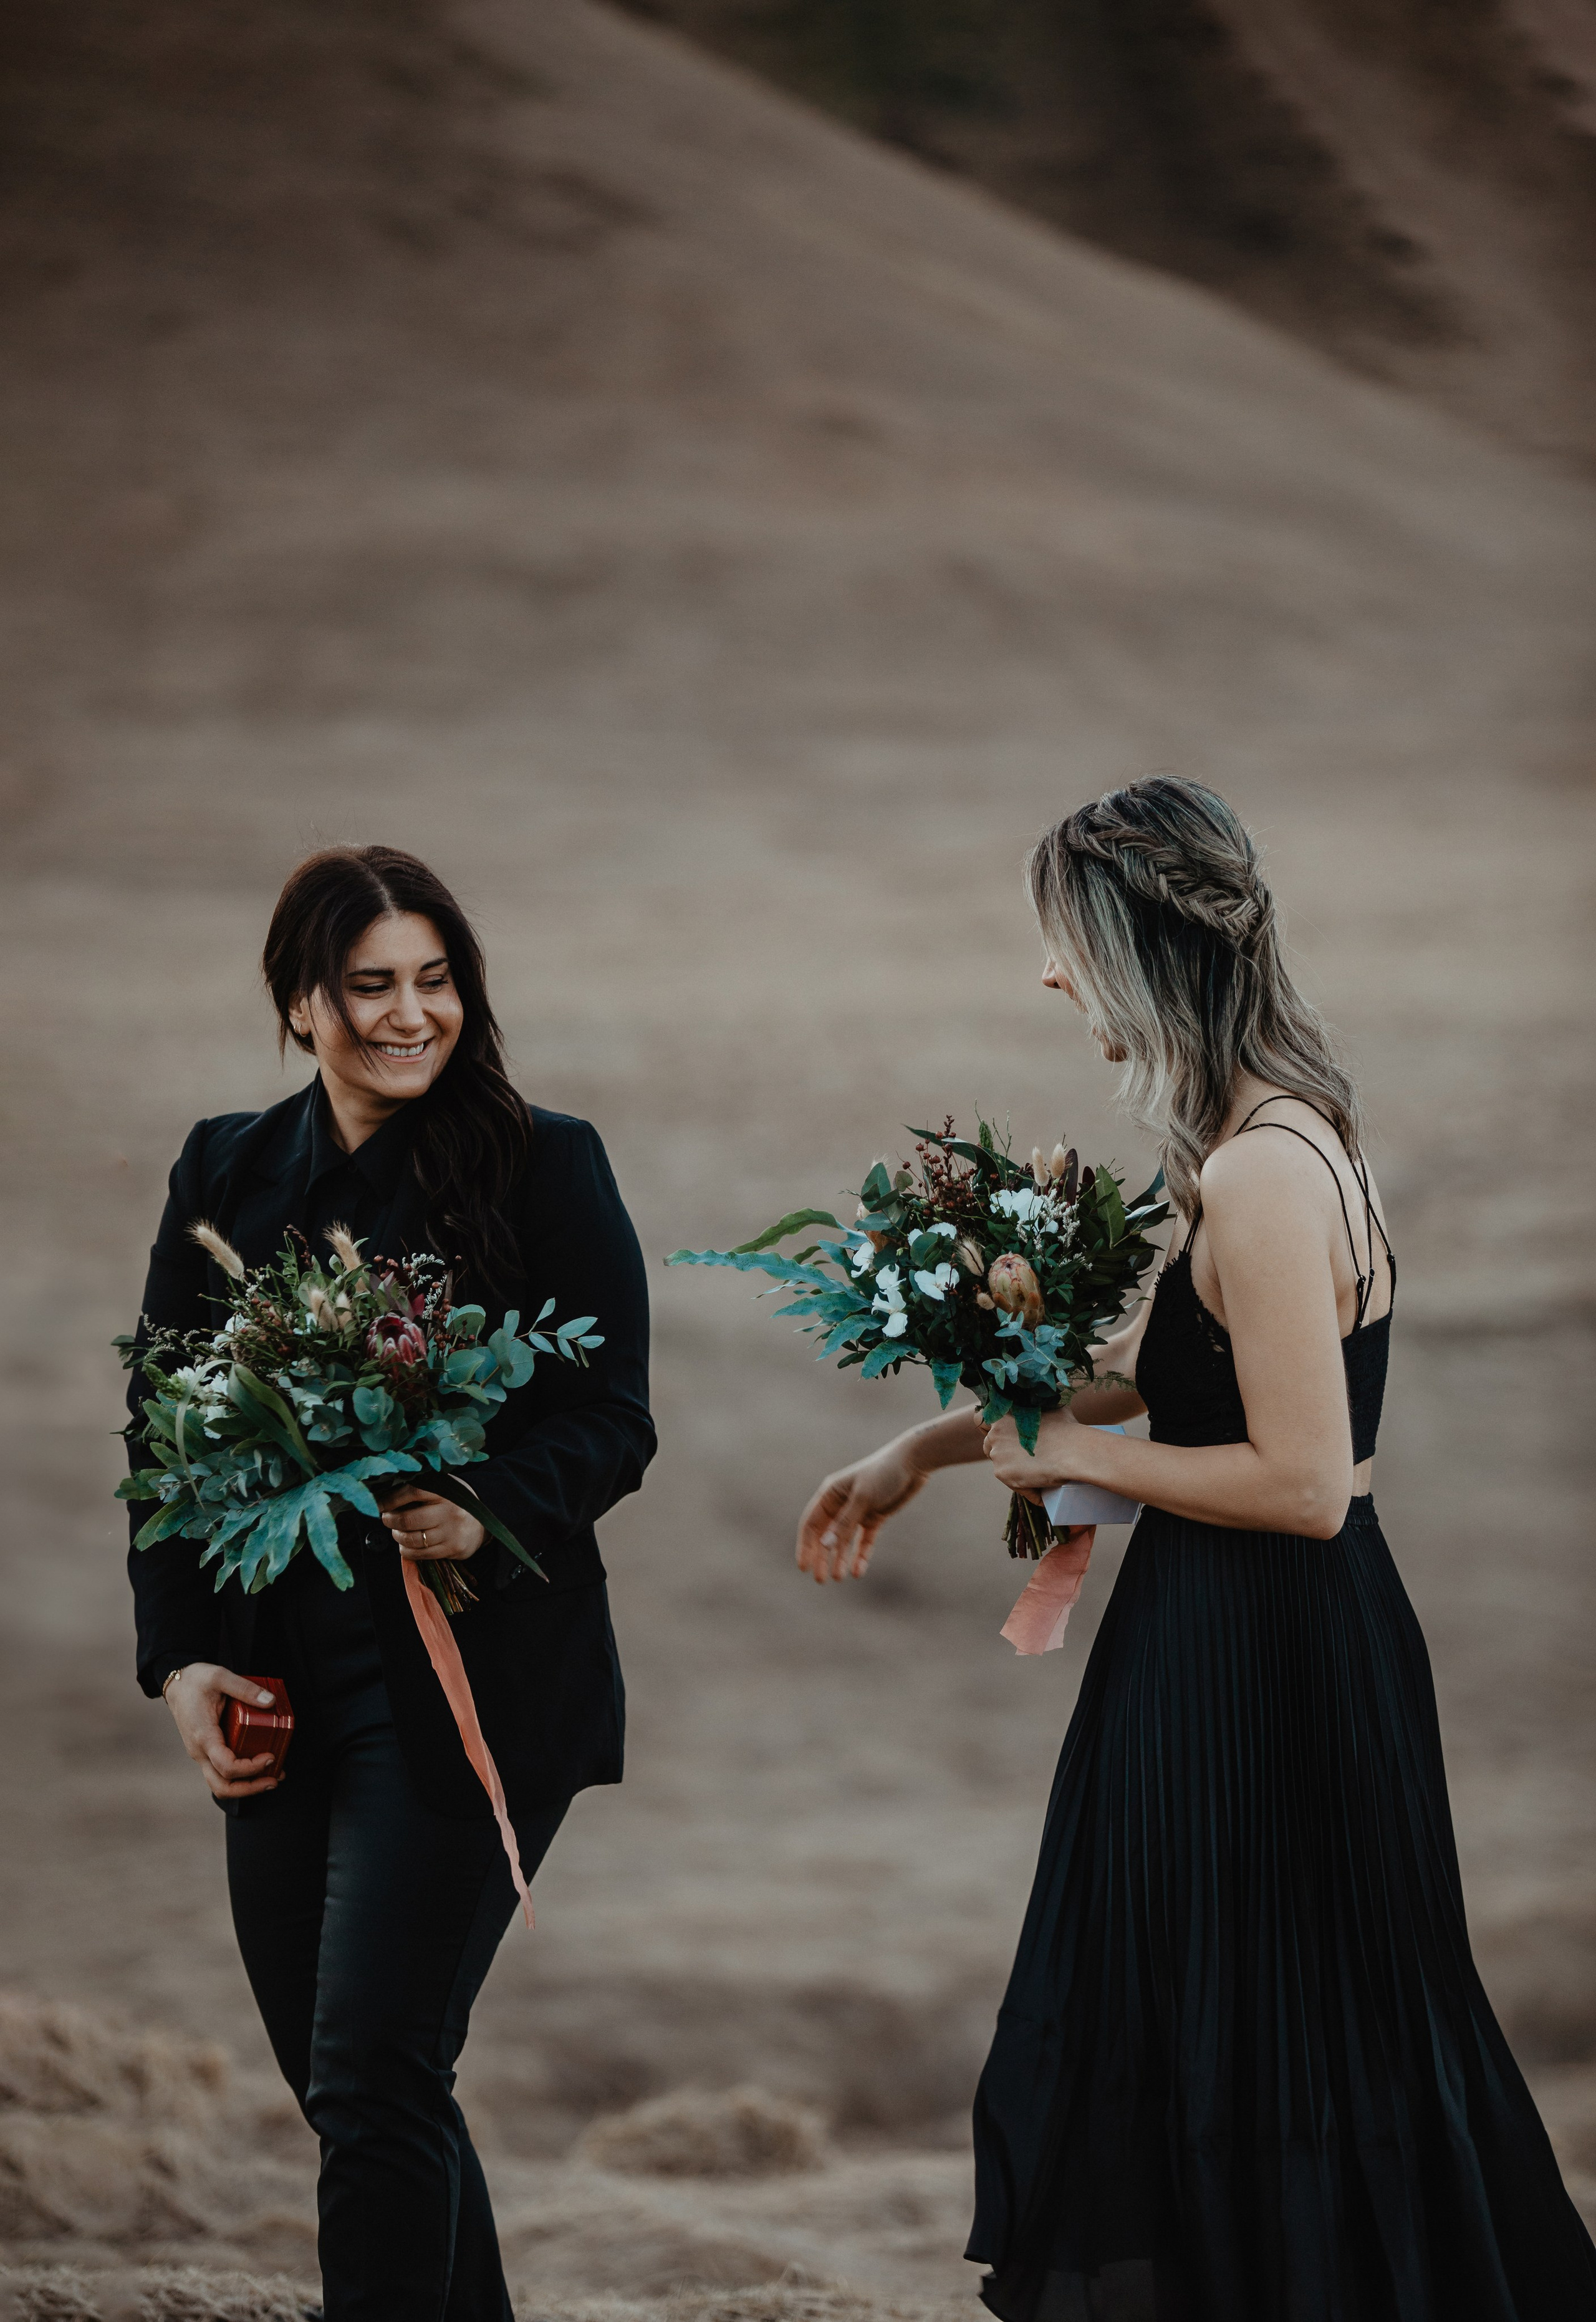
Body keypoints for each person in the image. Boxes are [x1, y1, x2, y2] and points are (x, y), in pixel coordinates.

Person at [796, 779, 1596, 2320]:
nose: (1047, 975)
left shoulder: (1264, 1168)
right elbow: (1186, 1394)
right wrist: (926, 1445)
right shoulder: (1268, 1132)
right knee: (1241, 2026)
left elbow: (1303, 1481)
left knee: (1254, 2028)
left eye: (1061, 941)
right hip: (1253, 1641)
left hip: (1260, 1658)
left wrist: (1081, 1457)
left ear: (1140, 946)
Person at [126, 844, 654, 2322]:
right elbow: (165, 1443)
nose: (411, 1014)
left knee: (373, 2070)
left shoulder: (546, 1159)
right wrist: (183, 1663)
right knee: (346, 2074)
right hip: (281, 1688)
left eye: (436, 981)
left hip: (473, 1681)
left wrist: (483, 1513)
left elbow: (614, 1415)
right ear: (302, 1002)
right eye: (371, 986)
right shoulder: (224, 1167)